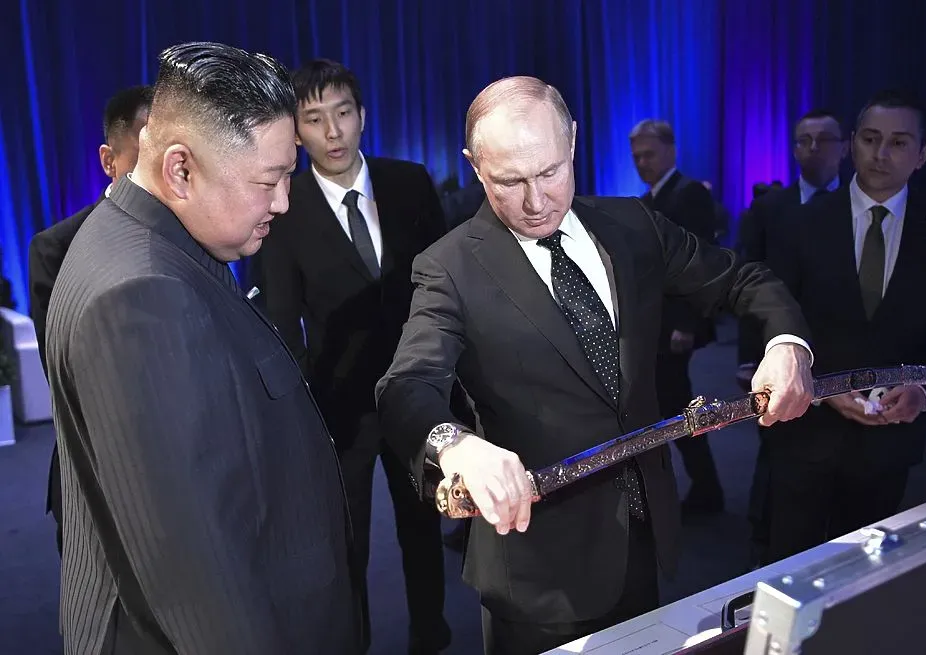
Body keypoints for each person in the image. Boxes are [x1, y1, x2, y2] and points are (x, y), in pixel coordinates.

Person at [376, 75, 815, 655]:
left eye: (550, 171)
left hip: (645, 531)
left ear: (574, 142)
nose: (536, 201)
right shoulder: (449, 267)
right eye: (510, 181)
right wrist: (455, 445)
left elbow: (742, 279)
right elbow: (406, 385)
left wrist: (786, 342)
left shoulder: (632, 225)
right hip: (538, 567)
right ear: (475, 167)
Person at [46, 42, 364, 654]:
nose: (283, 202)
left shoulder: (145, 241)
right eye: (269, 181)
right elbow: (194, 571)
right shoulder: (142, 296)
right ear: (181, 171)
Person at [256, 58, 452, 654]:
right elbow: (281, 322)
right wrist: (301, 415)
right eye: (314, 119)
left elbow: (446, 286)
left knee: (424, 526)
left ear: (362, 115)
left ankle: (431, 636)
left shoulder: (410, 182)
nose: (333, 131)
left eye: (342, 113)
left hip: (418, 393)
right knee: (347, 544)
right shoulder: (283, 206)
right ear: (295, 132)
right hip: (338, 409)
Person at [760, 91, 926, 564]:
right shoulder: (800, 222)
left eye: (899, 142)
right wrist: (820, 387)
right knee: (786, 563)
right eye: (870, 138)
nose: (881, 153)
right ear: (852, 144)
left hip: (890, 435)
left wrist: (925, 390)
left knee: (863, 573)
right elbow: (773, 315)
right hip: (804, 427)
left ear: (922, 153)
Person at [28, 84, 152, 556]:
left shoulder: (204, 238)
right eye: (142, 159)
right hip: (97, 478)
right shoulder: (56, 250)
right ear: (108, 160)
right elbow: (67, 376)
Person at [737, 108, 849, 565]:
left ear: (844, 147)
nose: (813, 149)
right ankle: (764, 539)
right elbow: (747, 284)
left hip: (841, 355)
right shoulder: (770, 209)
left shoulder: (858, 208)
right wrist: (748, 357)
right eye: (804, 140)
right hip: (775, 352)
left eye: (824, 140)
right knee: (777, 450)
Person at [629, 118, 724, 517]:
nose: (642, 163)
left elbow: (697, 264)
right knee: (671, 407)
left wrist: (687, 323)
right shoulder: (650, 198)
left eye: (649, 154)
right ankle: (702, 488)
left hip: (675, 327)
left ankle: (705, 490)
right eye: (637, 156)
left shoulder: (688, 195)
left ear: (670, 151)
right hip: (658, 326)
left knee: (675, 407)